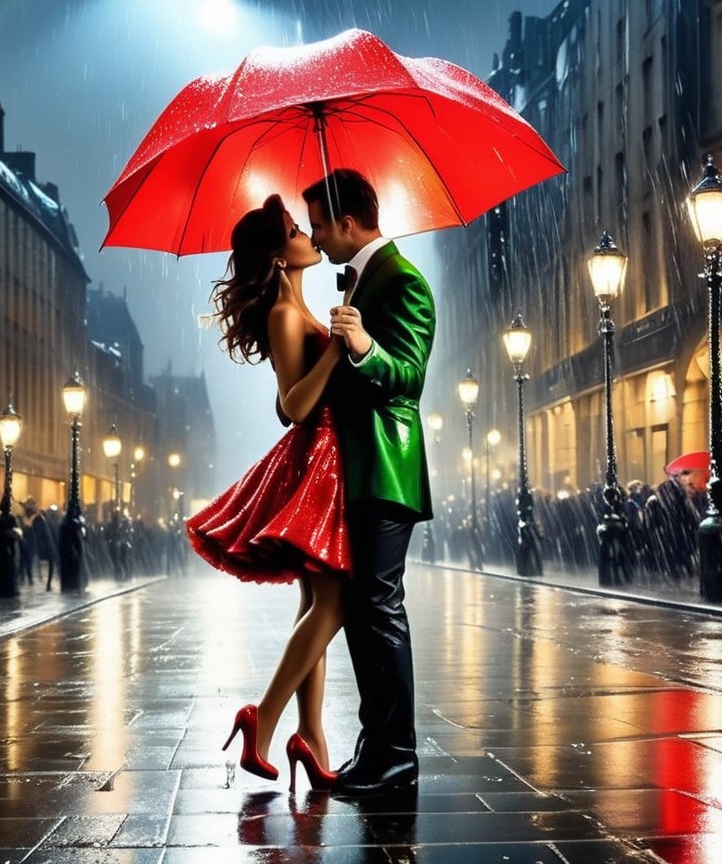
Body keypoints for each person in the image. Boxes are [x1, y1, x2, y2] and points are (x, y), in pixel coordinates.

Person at [186, 193, 350, 793]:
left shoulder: (297, 303)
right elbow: (292, 406)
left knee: (313, 602)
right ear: (280, 257)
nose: (309, 233)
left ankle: (312, 736)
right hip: (318, 459)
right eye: (295, 230)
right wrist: (335, 351)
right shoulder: (285, 312)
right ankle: (265, 719)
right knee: (335, 602)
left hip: (325, 460)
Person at [305, 168, 436, 797]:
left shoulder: (404, 279)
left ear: (349, 224)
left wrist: (362, 347)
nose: (316, 239)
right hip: (358, 470)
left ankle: (398, 756)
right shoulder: (358, 279)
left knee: (380, 609)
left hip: (387, 467)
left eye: (320, 227)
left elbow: (408, 376)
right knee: (363, 612)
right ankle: (377, 743)